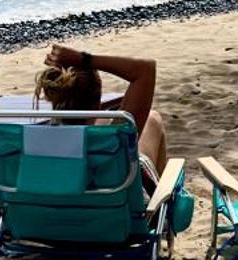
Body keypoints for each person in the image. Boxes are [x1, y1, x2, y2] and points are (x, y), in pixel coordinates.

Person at [42, 43, 169, 176]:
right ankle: (162, 189)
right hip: (117, 192)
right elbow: (146, 69)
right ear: (97, 105)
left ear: (52, 97)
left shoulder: (30, 141)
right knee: (153, 118)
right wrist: (84, 58)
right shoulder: (112, 143)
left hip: (52, 193)